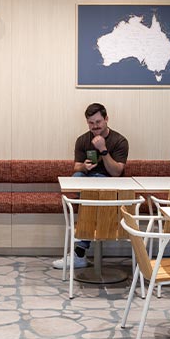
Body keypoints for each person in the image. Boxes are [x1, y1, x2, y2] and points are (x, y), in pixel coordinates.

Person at [52, 103, 129, 270]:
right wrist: (83, 167)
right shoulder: (82, 140)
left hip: (111, 185)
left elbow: (116, 172)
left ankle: (79, 253)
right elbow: (76, 167)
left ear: (106, 119)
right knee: (77, 179)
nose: (95, 126)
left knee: (90, 198)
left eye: (98, 122)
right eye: (91, 123)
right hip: (88, 181)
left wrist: (103, 150)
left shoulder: (119, 141)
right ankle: (80, 253)